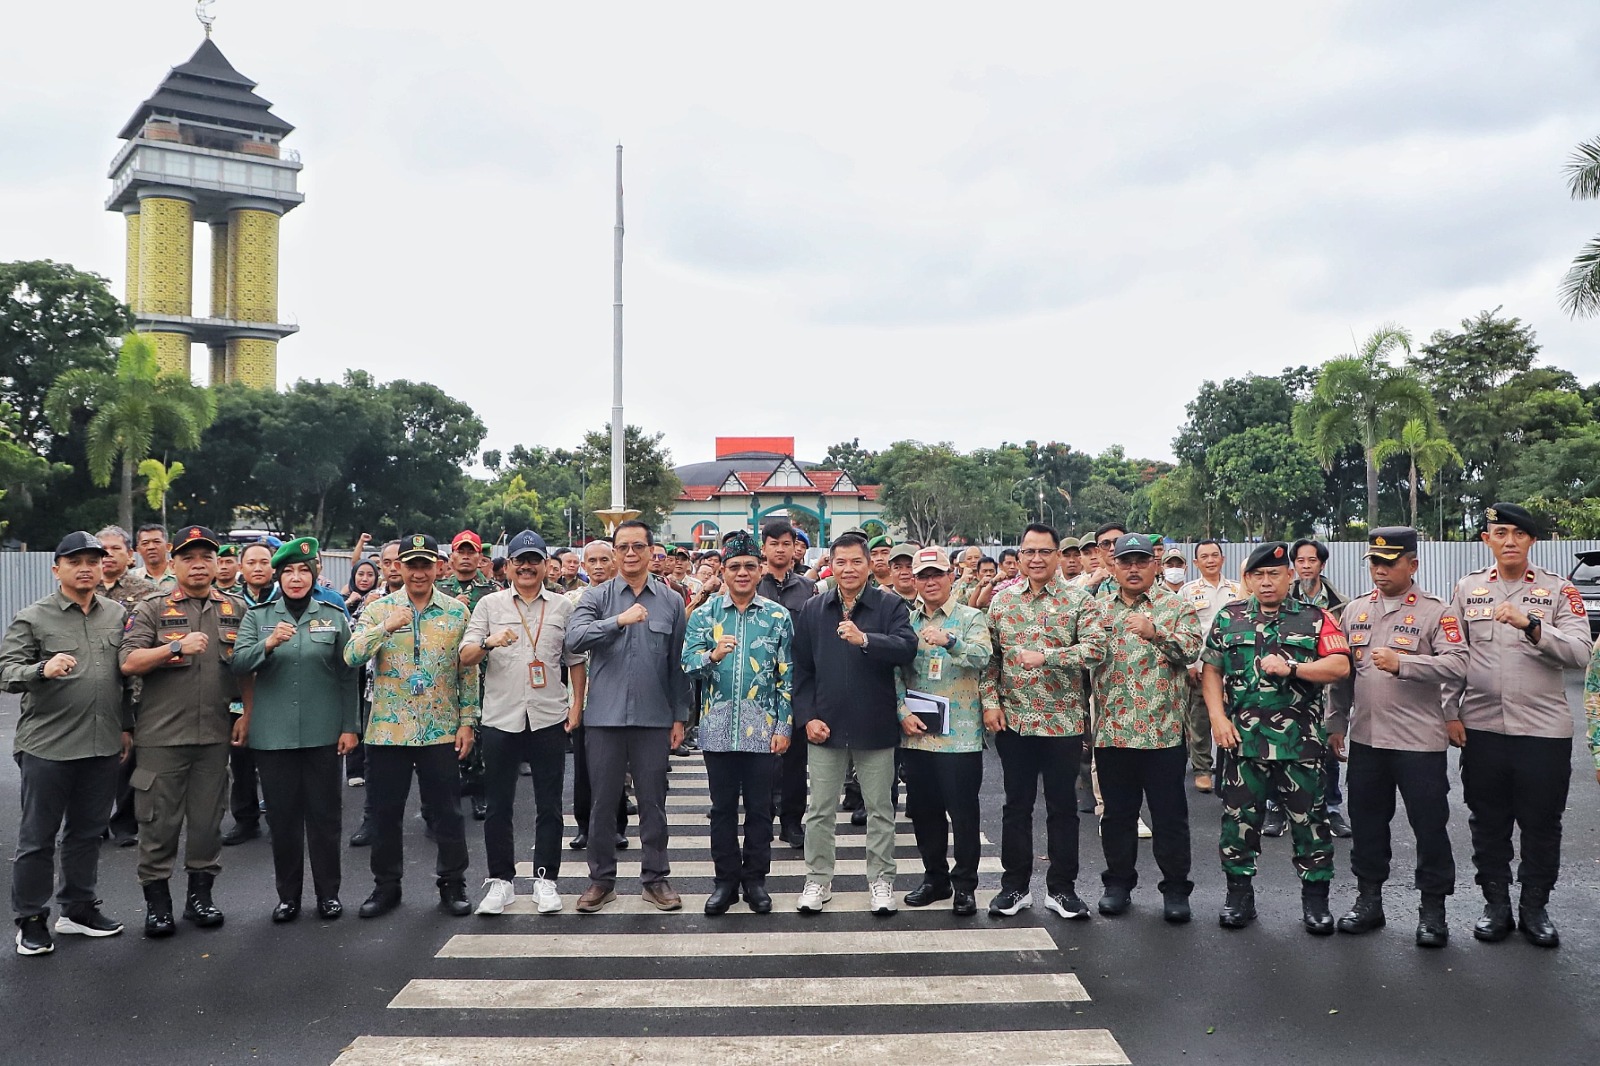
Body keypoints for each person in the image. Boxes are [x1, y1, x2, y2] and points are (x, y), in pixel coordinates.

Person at [1445, 503, 1591, 948]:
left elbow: (1582, 653)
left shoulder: (1559, 591)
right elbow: (1454, 656)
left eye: (1518, 534)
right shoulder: (1468, 589)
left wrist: (1532, 625)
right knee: (1487, 821)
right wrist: (1450, 711)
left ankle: (1535, 907)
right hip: (1484, 728)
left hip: (1543, 731)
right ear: (1487, 539)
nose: (1509, 541)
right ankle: (1496, 905)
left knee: (1541, 823)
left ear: (1532, 541)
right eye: (1500, 532)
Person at [1202, 541, 1351, 934]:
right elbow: (1211, 671)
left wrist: (1294, 668)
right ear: (1247, 580)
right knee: (1239, 823)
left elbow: (1339, 665)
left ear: (1289, 577)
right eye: (1258, 575)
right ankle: (1239, 897)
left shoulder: (1315, 617)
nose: (1266, 582)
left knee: (1311, 824)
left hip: (1299, 745)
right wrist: (1218, 718)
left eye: (1274, 575)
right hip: (1242, 743)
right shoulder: (1228, 618)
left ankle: (1315, 902)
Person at [1326, 527, 1465, 948]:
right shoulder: (1354, 611)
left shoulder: (1436, 612)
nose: (1380, 570)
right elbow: (1342, 672)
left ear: (1413, 565)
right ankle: (1369, 901)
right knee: (1368, 825)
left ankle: (1433, 910)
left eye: (1390, 562)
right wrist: (1336, 722)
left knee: (1429, 826)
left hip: (1418, 743)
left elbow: (1459, 663)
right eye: (1375, 562)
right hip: (1368, 739)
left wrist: (1406, 663)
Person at [2, 533, 131, 955]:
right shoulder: (33, 617)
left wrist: (126, 727)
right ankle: (31, 919)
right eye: (75, 561)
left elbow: (124, 678)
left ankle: (77, 908)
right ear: (57, 568)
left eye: (94, 560)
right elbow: (6, 672)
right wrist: (42, 668)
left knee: (88, 833)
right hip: (48, 747)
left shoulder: (116, 613)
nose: (86, 568)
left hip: (102, 744)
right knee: (38, 837)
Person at [119, 526, 247, 937]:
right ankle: (158, 906)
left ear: (216, 564)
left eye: (206, 558)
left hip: (213, 735)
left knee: (209, 822)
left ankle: (200, 898)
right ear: (174, 562)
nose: (198, 565)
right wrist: (173, 647)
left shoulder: (234, 608)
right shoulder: (151, 608)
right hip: (161, 737)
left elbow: (245, 669)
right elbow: (130, 661)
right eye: (190, 557)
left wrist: (245, 712)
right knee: (158, 824)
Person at [343, 533, 479, 919]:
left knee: (448, 814)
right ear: (398, 567)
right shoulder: (377, 608)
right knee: (386, 814)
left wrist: (468, 722)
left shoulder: (456, 611)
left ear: (439, 566)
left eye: (425, 564)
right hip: (388, 730)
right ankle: (386, 887)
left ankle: (453, 884)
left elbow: (467, 672)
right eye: (411, 564)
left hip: (440, 729)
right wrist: (385, 626)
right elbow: (351, 656)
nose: (418, 572)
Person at [983, 523, 1109, 920]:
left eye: (1044, 552)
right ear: (1019, 557)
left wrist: (1048, 657)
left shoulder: (1079, 601)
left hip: (1062, 724)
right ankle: (1014, 887)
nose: (1036, 559)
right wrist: (991, 702)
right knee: (1015, 807)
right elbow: (991, 660)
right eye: (1028, 552)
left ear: (1057, 556)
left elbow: (1096, 649)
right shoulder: (1002, 603)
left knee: (1063, 808)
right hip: (1015, 723)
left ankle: (1062, 889)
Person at [230, 538, 360, 923]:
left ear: (315, 575)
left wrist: (350, 727)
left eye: (304, 570)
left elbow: (347, 673)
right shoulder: (258, 616)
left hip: (323, 733)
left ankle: (328, 895)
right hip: (274, 736)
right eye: (288, 571)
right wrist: (268, 644)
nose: (296, 578)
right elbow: (237, 664)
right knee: (283, 821)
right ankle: (288, 897)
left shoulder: (333, 614)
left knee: (325, 818)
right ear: (278, 576)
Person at [566, 520, 691, 913]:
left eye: (639, 546)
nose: (631, 554)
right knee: (603, 802)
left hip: (654, 718)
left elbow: (678, 665)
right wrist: (617, 621)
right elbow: (574, 639)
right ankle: (601, 880)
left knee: (654, 802)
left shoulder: (670, 601)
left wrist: (680, 717)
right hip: (604, 717)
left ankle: (656, 878)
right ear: (615, 553)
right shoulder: (597, 597)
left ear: (654, 551)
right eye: (624, 547)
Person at [791, 531, 918, 914]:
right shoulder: (815, 609)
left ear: (868, 565)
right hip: (825, 726)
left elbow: (906, 647)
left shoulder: (890, 605)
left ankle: (881, 880)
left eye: (856, 561)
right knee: (820, 810)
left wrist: (866, 640)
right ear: (831, 565)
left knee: (880, 808)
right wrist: (807, 717)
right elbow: (801, 670)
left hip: (875, 723)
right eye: (840, 562)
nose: (848, 569)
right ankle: (818, 879)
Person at [459, 531, 583, 916]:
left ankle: (546, 880)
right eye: (519, 561)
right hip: (501, 716)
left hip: (548, 714)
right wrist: (490, 642)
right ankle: (501, 881)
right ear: (508, 566)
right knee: (499, 804)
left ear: (547, 566)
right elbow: (465, 656)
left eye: (534, 560)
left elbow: (575, 660)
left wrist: (577, 704)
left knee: (549, 804)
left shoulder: (562, 607)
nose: (527, 567)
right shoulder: (489, 605)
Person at [1090, 534, 1202, 922]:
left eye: (1141, 561)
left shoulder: (1175, 606)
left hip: (1163, 734)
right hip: (1113, 733)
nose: (1133, 568)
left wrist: (1155, 632)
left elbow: (1191, 652)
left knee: (1169, 816)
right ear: (1112, 566)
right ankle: (1118, 884)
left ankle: (1175, 890)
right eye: (1125, 562)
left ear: (1155, 565)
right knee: (1118, 816)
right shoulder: (1098, 609)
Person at [681, 530, 793, 915]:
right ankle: (725, 881)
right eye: (734, 567)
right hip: (717, 730)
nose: (742, 573)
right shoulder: (705, 614)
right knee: (722, 808)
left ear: (761, 570)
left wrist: (784, 726)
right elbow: (687, 665)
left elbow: (787, 676)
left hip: (762, 729)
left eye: (749, 566)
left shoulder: (778, 617)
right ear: (723, 571)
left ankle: (756, 881)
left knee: (761, 809)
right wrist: (711, 656)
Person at [897, 547, 992, 916]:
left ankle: (965, 885)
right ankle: (934, 878)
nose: (930, 581)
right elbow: (894, 672)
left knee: (964, 813)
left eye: (937, 574)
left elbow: (984, 657)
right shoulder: (905, 621)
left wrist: (950, 641)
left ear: (951, 576)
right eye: (923, 576)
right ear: (915, 581)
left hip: (961, 737)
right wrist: (901, 710)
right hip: (918, 733)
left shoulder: (971, 617)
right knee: (924, 812)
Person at [1277, 537, 1350, 840]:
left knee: (1328, 750)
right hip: (1286, 686)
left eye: (1312, 561)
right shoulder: (1282, 597)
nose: (1306, 566)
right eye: (1301, 561)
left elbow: (1342, 654)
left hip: (1325, 689)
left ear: (1322, 564)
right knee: (1279, 746)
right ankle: (1274, 807)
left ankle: (1332, 808)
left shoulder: (1339, 604)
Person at [565, 538, 630, 851]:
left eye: (606, 560)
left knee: (614, 765)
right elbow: (572, 649)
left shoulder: (626, 599)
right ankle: (584, 826)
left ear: (615, 562)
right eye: (593, 561)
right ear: (583, 565)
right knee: (583, 767)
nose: (600, 566)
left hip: (617, 692)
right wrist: (576, 702)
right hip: (583, 694)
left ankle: (617, 825)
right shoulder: (572, 600)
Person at [758, 520, 817, 850]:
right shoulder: (752, 583)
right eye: (774, 543)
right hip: (760, 685)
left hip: (796, 683)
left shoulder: (807, 589)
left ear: (795, 548)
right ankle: (763, 816)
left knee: (795, 759)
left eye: (786, 542)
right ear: (764, 547)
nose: (780, 549)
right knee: (763, 758)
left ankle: (792, 822)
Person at [98, 524, 157, 848]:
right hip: (94, 689)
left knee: (129, 760)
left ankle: (125, 822)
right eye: (101, 550)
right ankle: (93, 822)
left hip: (134, 688)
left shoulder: (143, 591)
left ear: (129, 554)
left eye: (114, 549)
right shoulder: (82, 587)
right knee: (94, 760)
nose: (106, 556)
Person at [221, 541, 277, 847]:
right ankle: (245, 820)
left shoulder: (286, 600)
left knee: (273, 761)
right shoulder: (227, 602)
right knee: (240, 759)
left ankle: (278, 818)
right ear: (241, 568)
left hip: (275, 690)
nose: (258, 568)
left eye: (264, 562)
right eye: (251, 562)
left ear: (273, 567)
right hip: (237, 691)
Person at [1179, 539, 1243, 794]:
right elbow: (1183, 629)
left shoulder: (1237, 590)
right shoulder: (1187, 592)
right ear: (1196, 562)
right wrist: (1189, 665)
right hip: (1202, 666)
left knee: (1235, 717)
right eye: (1204, 556)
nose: (1210, 560)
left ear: (1223, 559)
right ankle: (1203, 769)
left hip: (1234, 667)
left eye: (1214, 555)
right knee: (1200, 720)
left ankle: (1232, 769)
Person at [135, 524, 177, 590]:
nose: (151, 547)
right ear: (138, 550)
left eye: (157, 542)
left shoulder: (181, 575)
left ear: (168, 547)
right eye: (145, 543)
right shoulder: (131, 578)